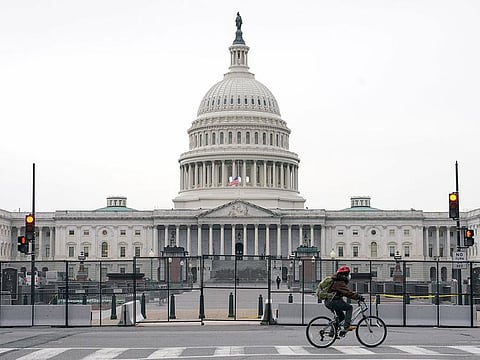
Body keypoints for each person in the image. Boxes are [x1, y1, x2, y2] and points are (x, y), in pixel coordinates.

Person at [324, 266, 364, 332]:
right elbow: (347, 293)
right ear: (345, 275)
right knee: (349, 308)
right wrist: (358, 297)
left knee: (341, 317)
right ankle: (346, 326)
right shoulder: (339, 282)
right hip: (333, 301)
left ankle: (332, 332)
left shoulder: (337, 280)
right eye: (348, 274)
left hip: (329, 301)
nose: (349, 276)